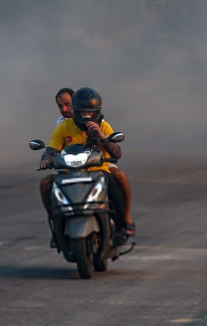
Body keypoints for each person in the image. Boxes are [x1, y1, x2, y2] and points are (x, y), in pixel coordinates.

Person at [39, 87, 135, 237]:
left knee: (115, 179)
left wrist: (101, 135)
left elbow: (117, 153)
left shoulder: (103, 125)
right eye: (82, 112)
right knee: (45, 184)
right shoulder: (63, 126)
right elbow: (51, 149)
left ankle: (123, 221)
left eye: (90, 112)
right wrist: (45, 159)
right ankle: (56, 223)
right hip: (68, 169)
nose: (86, 116)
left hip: (99, 168)